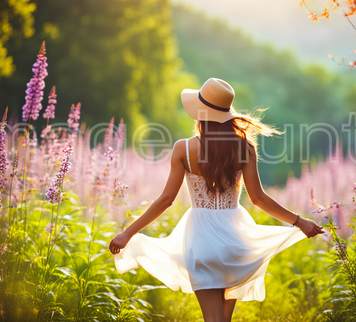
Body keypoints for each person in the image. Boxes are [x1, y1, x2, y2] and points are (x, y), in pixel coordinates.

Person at [109, 78, 325, 322]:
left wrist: (128, 232)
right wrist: (299, 221)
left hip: (200, 239)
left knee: (213, 319)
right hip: (235, 238)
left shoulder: (183, 149)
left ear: (200, 113)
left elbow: (166, 200)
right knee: (223, 319)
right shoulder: (245, 148)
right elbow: (259, 199)